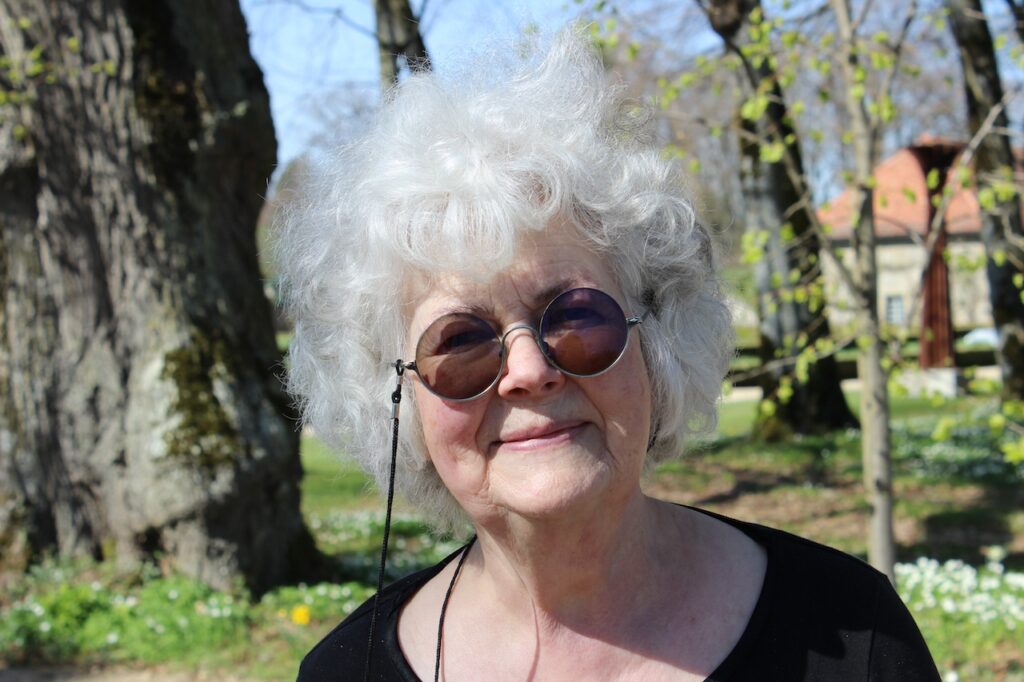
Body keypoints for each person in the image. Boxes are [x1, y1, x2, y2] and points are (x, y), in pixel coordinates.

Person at [277, 32, 940, 682]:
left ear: (658, 342)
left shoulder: (856, 637)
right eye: (460, 342)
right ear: (399, 399)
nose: (530, 371)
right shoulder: (344, 671)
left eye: (575, 318)